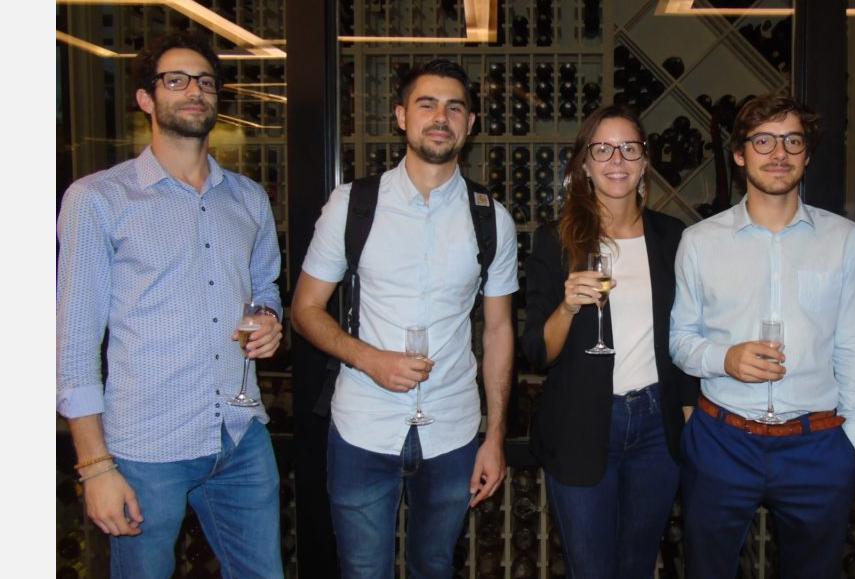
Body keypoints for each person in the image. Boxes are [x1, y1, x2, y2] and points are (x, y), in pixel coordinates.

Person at [56, 31, 286, 578]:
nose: (194, 90)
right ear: (146, 98)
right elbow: (74, 344)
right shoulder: (98, 199)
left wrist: (269, 319)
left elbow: (265, 286)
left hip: (240, 434)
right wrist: (95, 466)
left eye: (205, 81)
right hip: (146, 446)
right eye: (176, 80)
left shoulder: (248, 198)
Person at [290, 59, 518, 579]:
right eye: (426, 104)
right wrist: (369, 359)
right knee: (362, 571)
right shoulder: (352, 205)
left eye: (454, 108)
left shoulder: (491, 218)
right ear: (401, 116)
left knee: (434, 567)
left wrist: (495, 436)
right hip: (363, 427)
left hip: (453, 430)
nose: (441, 117)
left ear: (470, 124)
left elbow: (499, 331)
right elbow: (304, 309)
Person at [669, 92, 855, 579]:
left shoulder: (843, 239)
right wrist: (725, 359)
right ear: (740, 154)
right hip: (723, 441)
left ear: (807, 155)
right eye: (763, 140)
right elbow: (680, 339)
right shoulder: (699, 242)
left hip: (817, 443)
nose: (779, 153)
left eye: (792, 141)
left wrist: (854, 437)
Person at [520, 105, 698, 579]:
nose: (616, 159)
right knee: (591, 569)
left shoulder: (673, 237)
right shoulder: (555, 240)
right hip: (581, 422)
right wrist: (567, 307)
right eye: (602, 149)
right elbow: (536, 351)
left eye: (628, 148)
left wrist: (688, 412)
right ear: (584, 163)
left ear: (644, 161)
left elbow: (686, 334)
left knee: (637, 565)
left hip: (656, 426)